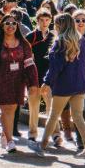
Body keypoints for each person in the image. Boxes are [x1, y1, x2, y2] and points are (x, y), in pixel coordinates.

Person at [30, 13, 85, 159]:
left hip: (64, 86)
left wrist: (47, 82)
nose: (54, 26)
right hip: (80, 84)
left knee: (53, 116)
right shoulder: (81, 40)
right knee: (78, 117)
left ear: (60, 25)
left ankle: (42, 146)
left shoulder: (59, 42)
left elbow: (55, 68)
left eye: (55, 24)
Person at [0, 13, 38, 154]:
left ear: (17, 26)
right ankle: (10, 141)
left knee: (11, 110)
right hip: (0, 81)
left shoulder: (24, 43)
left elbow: (30, 64)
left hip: (18, 81)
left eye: (13, 23)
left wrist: (33, 84)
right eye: (7, 23)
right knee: (6, 109)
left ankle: (4, 135)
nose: (11, 26)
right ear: (2, 26)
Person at [26, 9, 55, 142]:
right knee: (34, 108)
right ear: (37, 21)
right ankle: (32, 134)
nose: (44, 23)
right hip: (33, 77)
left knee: (52, 108)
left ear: (50, 21)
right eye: (42, 20)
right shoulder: (30, 37)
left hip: (48, 78)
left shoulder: (53, 37)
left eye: (47, 20)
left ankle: (55, 134)